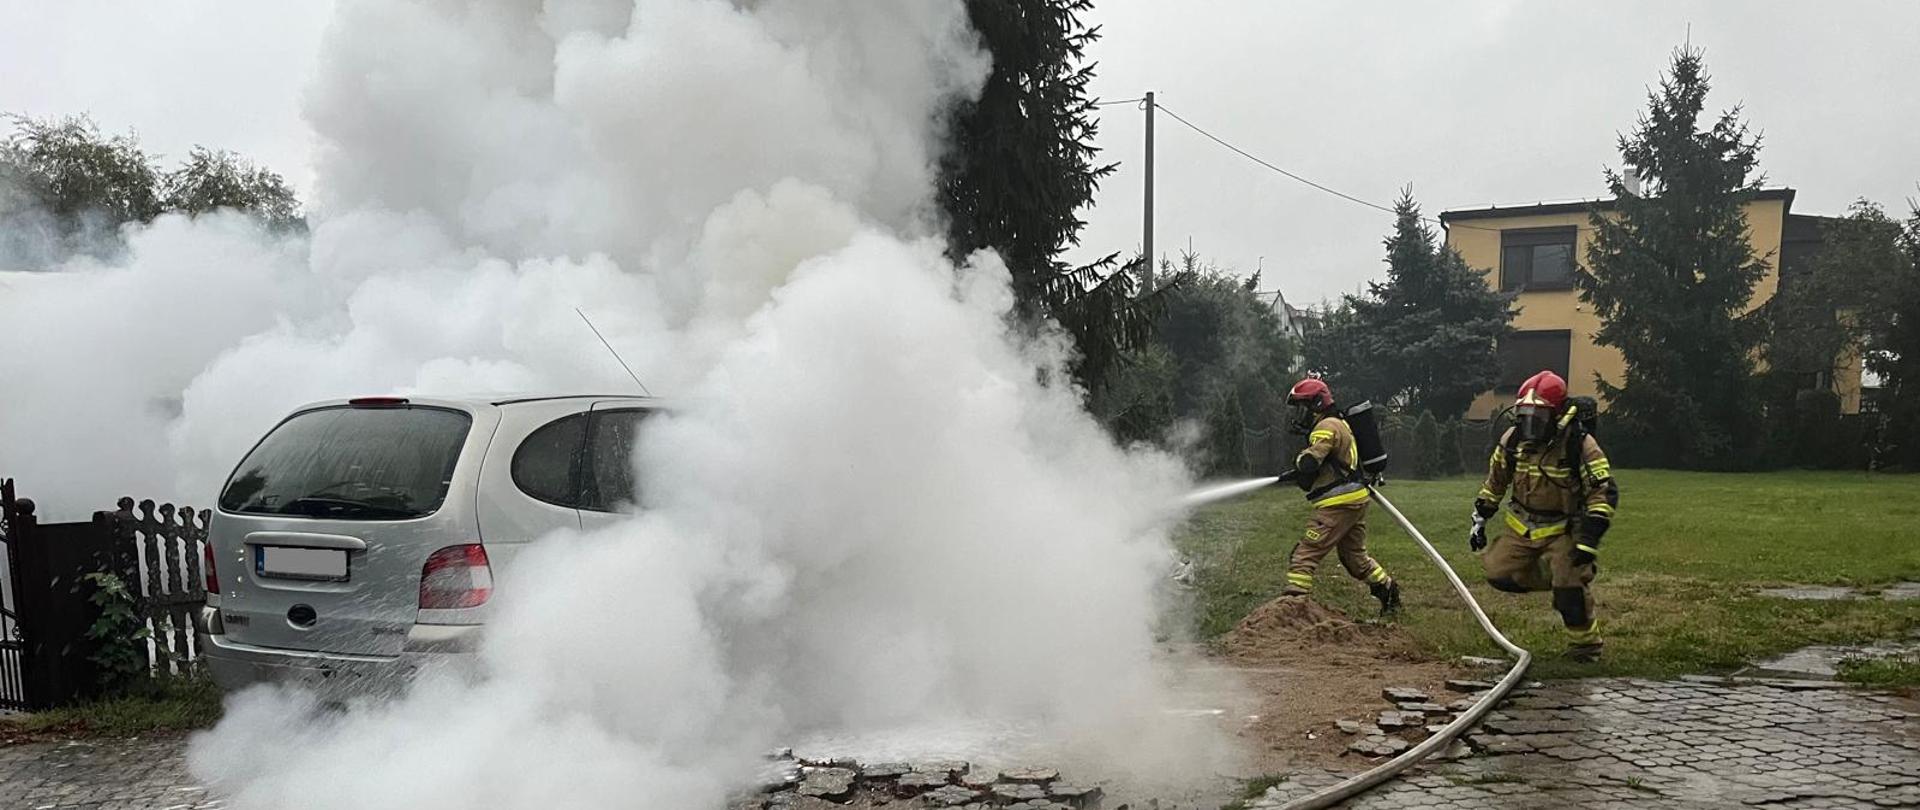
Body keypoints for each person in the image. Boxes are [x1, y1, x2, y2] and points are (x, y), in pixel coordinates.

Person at [1469, 370, 1619, 662]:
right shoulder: (1512, 441)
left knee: (1568, 590)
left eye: (1537, 418)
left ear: (1557, 415)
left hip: (1563, 528)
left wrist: (1588, 541)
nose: (1529, 425)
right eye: (1524, 416)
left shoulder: (1579, 444)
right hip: (1522, 525)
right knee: (1497, 574)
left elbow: (1603, 492)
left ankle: (1586, 647)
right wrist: (1480, 518)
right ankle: (1561, 578)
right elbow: (1495, 482)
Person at [1279, 377, 1400, 616]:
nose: (1299, 414)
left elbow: (1313, 458)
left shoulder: (1325, 427)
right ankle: (1389, 592)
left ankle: (1292, 610)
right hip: (1355, 500)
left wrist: (1302, 461)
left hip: (1337, 504)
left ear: (1316, 405)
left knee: (1304, 555)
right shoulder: (1340, 423)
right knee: (1354, 557)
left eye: (1302, 408)